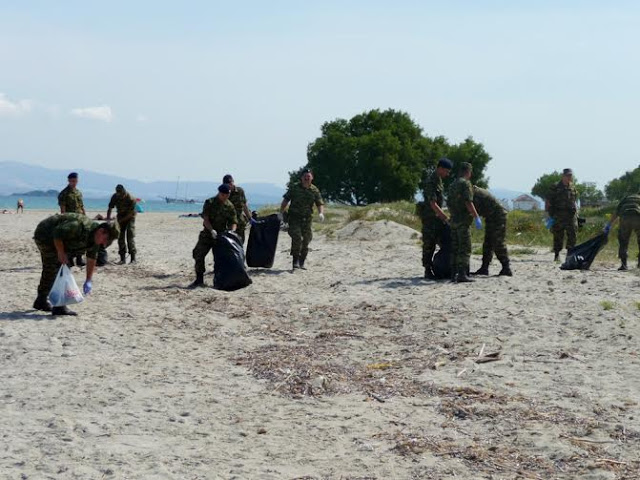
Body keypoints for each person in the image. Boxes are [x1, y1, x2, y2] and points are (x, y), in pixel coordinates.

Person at [32, 213, 118, 316]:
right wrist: (60, 252)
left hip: (63, 240)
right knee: (55, 268)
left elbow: (91, 258)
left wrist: (88, 280)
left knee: (55, 268)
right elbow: (58, 232)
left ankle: (41, 301)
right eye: (105, 239)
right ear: (101, 231)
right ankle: (59, 306)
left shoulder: (95, 239)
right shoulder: (79, 226)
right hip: (45, 234)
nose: (103, 243)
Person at [189, 184, 238, 288]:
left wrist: (232, 232)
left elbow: (233, 221)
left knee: (220, 259)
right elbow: (205, 219)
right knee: (198, 254)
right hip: (207, 234)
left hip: (221, 237)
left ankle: (219, 280)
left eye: (228, 195)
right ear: (219, 193)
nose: (226, 197)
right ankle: (199, 279)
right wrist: (211, 230)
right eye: (224, 195)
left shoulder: (229, 206)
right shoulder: (210, 202)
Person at [280, 168, 324, 270]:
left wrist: (321, 213)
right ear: (301, 178)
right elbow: (286, 200)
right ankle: (295, 261)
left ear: (312, 178)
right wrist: (281, 212)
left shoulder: (314, 190)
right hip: (294, 218)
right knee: (297, 238)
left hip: (307, 219)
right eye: (305, 176)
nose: (307, 178)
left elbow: (319, 203)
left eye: (308, 176)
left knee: (306, 240)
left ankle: (302, 262)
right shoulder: (294, 188)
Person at [447, 162, 482, 283]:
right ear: (468, 172)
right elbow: (468, 202)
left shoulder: (452, 184)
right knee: (465, 248)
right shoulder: (465, 184)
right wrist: (476, 217)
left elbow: (449, 203)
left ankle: (453, 273)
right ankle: (462, 274)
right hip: (463, 221)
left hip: (453, 220)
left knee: (455, 247)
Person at [420, 158, 453, 279]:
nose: (447, 174)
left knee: (444, 242)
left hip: (437, 219)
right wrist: (445, 218)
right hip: (430, 219)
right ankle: (428, 270)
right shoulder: (431, 182)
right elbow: (433, 204)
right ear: (440, 168)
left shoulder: (438, 181)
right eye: (446, 171)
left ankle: (442, 267)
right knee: (429, 245)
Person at [472, 186, 512, 276]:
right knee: (487, 244)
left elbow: (474, 209)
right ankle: (484, 268)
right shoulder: (475, 192)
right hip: (491, 217)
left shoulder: (477, 195)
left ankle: (506, 268)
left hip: (498, 217)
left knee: (498, 243)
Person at [546, 168, 578, 262]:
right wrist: (548, 215)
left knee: (572, 235)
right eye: (567, 175)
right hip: (558, 215)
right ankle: (556, 255)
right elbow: (548, 201)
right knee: (558, 235)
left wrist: (577, 212)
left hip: (571, 215)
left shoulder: (573, 187)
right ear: (563, 176)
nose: (569, 177)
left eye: (570, 175)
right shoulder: (555, 187)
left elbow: (574, 200)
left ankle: (569, 255)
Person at [604, 193, 640, 270]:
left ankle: (624, 265)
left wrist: (609, 224)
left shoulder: (626, 198)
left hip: (625, 218)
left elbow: (616, 212)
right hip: (638, 218)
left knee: (623, 241)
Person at [58, 172, 87, 267]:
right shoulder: (64, 193)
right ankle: (70, 259)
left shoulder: (78, 193)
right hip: (70, 219)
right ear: (69, 181)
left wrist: (85, 217)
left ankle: (79, 258)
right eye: (72, 181)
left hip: (79, 219)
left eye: (76, 181)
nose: (74, 183)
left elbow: (82, 206)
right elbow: (63, 208)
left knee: (80, 239)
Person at [107, 184, 138, 264]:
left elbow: (131, 214)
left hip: (130, 217)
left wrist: (120, 221)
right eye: (118, 194)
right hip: (120, 216)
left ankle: (133, 259)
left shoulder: (131, 198)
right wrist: (108, 220)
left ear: (124, 192)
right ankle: (122, 259)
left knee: (129, 236)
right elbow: (110, 208)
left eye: (121, 194)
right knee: (120, 237)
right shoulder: (115, 196)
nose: (120, 196)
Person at [223, 174, 253, 244]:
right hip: (229, 224)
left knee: (240, 243)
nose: (230, 186)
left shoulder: (240, 191)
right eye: (227, 184)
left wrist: (250, 218)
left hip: (240, 223)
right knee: (231, 244)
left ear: (233, 182)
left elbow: (244, 205)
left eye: (231, 183)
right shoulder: (224, 193)